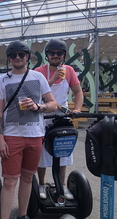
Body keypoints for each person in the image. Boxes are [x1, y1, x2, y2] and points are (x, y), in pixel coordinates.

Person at [0, 40, 57, 219]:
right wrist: (0, 139)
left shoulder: (38, 78)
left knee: (28, 178)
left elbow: (52, 104)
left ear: (27, 56)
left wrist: (37, 106)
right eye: (13, 55)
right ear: (9, 59)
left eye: (21, 54)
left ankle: (23, 215)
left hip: (35, 135)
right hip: (11, 136)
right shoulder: (2, 80)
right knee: (9, 181)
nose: (17, 58)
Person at [35, 39, 83, 200]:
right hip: (43, 116)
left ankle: (61, 185)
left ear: (64, 55)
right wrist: (53, 79)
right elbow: (36, 94)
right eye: (52, 53)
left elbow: (78, 92)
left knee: (62, 150)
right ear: (47, 55)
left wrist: (77, 108)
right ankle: (41, 183)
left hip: (61, 116)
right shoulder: (39, 71)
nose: (55, 55)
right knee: (41, 153)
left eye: (59, 53)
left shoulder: (69, 70)